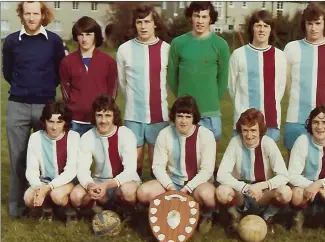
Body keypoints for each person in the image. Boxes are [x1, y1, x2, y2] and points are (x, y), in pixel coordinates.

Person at [2, 1, 65, 217]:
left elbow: (59, 73)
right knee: (19, 158)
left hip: (45, 107)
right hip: (17, 105)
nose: (31, 18)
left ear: (43, 14)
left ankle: (48, 205)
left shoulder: (54, 42)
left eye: (35, 13)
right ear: (21, 15)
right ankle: (17, 208)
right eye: (27, 13)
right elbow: (8, 73)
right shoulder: (11, 41)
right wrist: (25, 89)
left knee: (46, 157)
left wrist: (42, 89)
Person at [136, 96, 217, 234]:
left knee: (207, 196)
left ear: (194, 117)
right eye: (180, 116)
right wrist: (170, 187)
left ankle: (206, 215)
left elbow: (207, 170)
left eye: (187, 116)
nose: (183, 121)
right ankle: (165, 210)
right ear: (174, 116)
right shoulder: (165, 134)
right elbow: (157, 166)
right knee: (143, 193)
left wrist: (187, 188)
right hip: (173, 182)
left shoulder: (206, 135)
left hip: (197, 184)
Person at [283, 3, 325, 158]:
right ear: (304, 25)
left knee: (323, 163)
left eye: (318, 23)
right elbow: (287, 82)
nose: (313, 28)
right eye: (309, 24)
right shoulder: (292, 48)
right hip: (296, 116)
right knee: (293, 164)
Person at [216, 108, 291, 235]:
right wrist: (245, 187)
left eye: (253, 130)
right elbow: (221, 174)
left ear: (260, 130)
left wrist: (261, 186)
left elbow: (284, 175)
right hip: (241, 190)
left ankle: (268, 216)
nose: (249, 135)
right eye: (245, 130)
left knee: (285, 192)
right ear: (240, 130)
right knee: (222, 191)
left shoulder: (268, 143)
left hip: (262, 192)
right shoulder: (235, 142)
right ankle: (235, 216)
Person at [117, 4, 170, 178]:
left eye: (147, 22)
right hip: (134, 115)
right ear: (135, 25)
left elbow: (169, 82)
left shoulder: (166, 50)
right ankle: (133, 200)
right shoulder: (124, 50)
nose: (143, 26)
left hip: (159, 115)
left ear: (155, 24)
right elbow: (123, 82)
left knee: (158, 163)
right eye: (139, 22)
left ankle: (156, 198)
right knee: (134, 162)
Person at [168, 1, 230, 143]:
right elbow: (172, 77)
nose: (200, 21)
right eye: (197, 16)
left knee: (209, 159)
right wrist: (183, 99)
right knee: (185, 157)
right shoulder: (178, 43)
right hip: (185, 113)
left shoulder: (221, 45)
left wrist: (211, 100)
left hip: (210, 112)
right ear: (191, 17)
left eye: (204, 17)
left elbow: (223, 79)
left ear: (210, 19)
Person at [70, 95, 140, 220]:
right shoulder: (87, 137)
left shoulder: (126, 134)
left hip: (122, 182)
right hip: (99, 181)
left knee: (128, 191)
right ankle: (102, 210)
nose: (103, 120)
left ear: (114, 116)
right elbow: (82, 170)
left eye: (107, 115)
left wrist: (107, 186)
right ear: (94, 117)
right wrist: (90, 186)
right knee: (76, 196)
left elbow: (130, 170)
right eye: (99, 115)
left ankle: (126, 211)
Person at [288, 106, 325, 239]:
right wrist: (317, 188)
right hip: (306, 186)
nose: (320, 127)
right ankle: (298, 216)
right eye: (316, 122)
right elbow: (292, 174)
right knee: (296, 194)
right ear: (310, 124)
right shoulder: (303, 140)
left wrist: (321, 184)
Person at [228, 10, 286, 142]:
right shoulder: (238, 55)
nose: (261, 30)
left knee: (267, 161)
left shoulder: (279, 56)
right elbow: (232, 88)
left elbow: (280, 88)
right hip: (244, 122)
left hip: (270, 122)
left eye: (266, 26)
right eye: (258, 25)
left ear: (271, 29)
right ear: (252, 28)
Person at [60, 16, 118, 136]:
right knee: (74, 154)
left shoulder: (108, 62)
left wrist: (104, 113)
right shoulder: (67, 61)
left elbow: (112, 90)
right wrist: (73, 107)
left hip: (98, 120)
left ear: (95, 35)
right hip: (74, 121)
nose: (84, 39)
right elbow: (65, 90)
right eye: (81, 35)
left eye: (88, 34)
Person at [24, 101, 80, 225]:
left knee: (57, 195)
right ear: (44, 121)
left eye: (59, 122)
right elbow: (32, 169)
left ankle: (70, 211)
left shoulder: (73, 137)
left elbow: (71, 171)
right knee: (28, 198)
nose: (54, 127)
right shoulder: (36, 137)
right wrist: (38, 187)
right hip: (45, 181)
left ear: (65, 122)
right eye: (51, 121)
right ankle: (47, 209)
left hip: (67, 181)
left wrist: (47, 189)